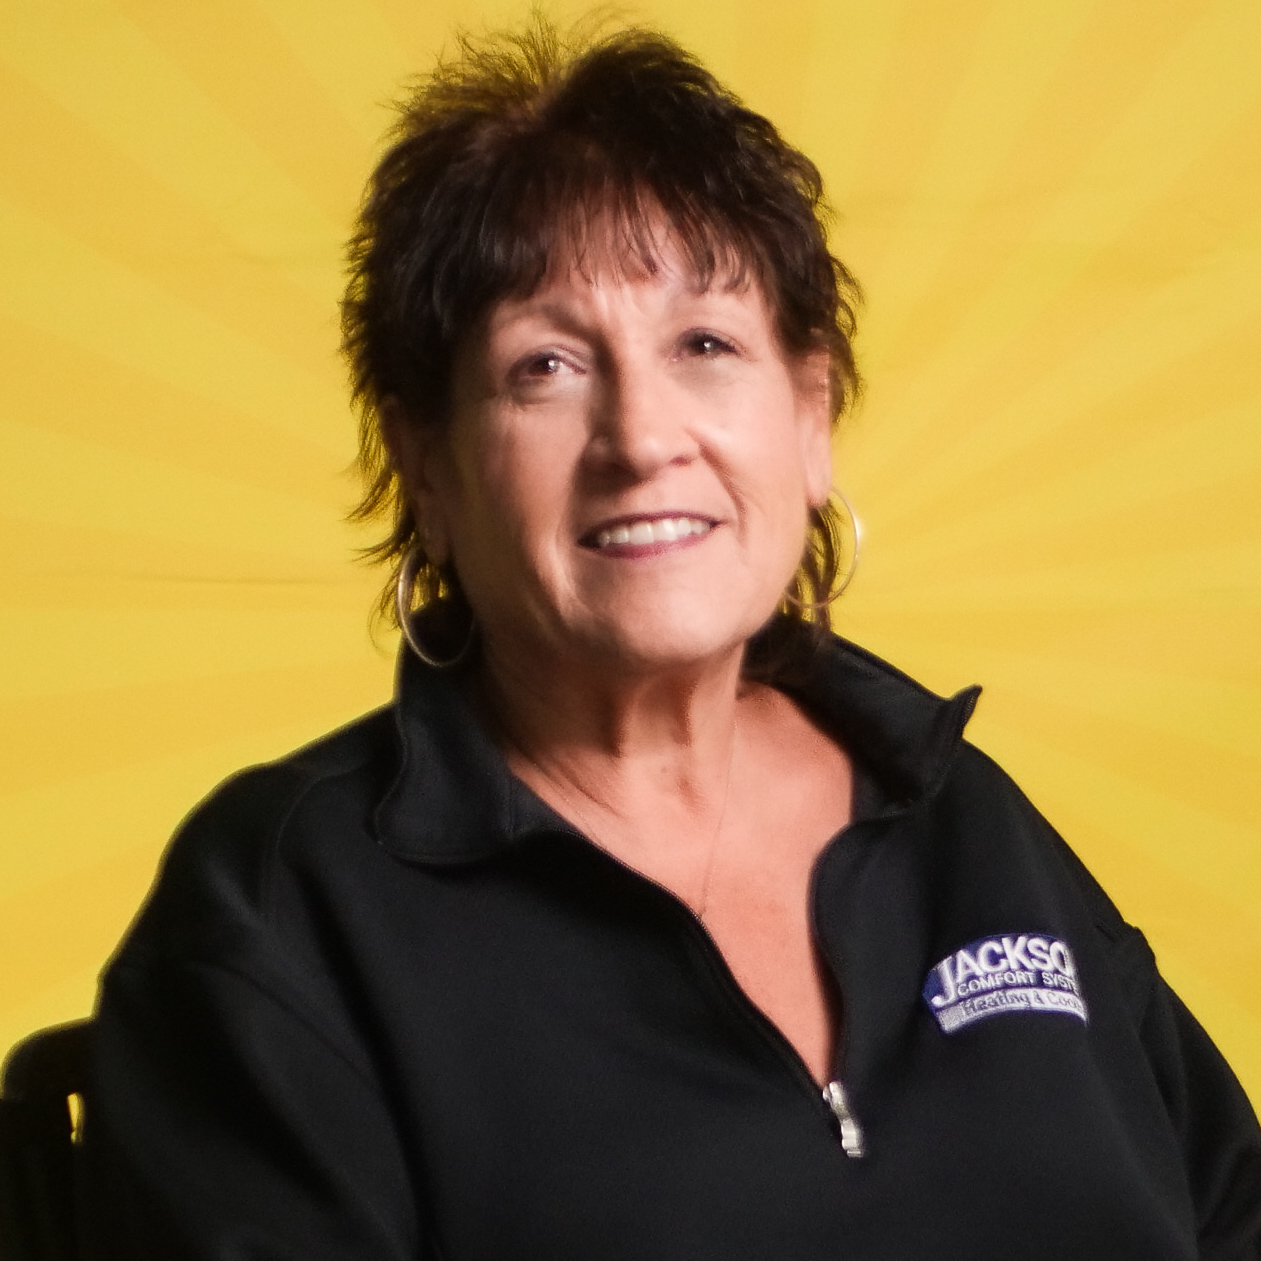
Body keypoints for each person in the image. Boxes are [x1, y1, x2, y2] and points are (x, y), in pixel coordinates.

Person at [84, 18, 1261, 1260]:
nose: (641, 438)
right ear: (426, 464)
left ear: (810, 417)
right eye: (543, 366)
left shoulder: (957, 813)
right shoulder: (284, 914)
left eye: (704, 344)